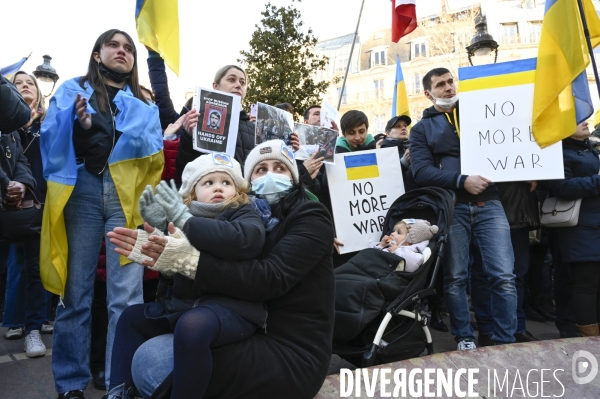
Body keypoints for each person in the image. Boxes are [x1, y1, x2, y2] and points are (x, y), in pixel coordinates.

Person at [109, 139, 334, 399]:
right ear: (249, 182)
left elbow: (269, 278)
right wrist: (163, 256)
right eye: (260, 169)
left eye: (280, 168)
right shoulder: (252, 214)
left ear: (294, 177)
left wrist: (188, 261)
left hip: (290, 353)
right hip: (245, 333)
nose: (270, 175)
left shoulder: (310, 216)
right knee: (144, 334)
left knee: (154, 361)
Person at [40, 29, 164, 399]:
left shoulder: (145, 104)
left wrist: (150, 210)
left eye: (128, 48)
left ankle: (120, 383)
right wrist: (79, 128)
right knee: (75, 293)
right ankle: (70, 384)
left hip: (129, 200)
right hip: (84, 192)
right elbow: (50, 141)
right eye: (114, 45)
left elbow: (153, 162)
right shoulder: (71, 90)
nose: (122, 51)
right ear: (97, 54)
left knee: (127, 298)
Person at [105, 153, 266, 398]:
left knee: (193, 326)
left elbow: (244, 241)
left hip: (234, 309)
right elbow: (173, 276)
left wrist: (185, 220)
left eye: (226, 182)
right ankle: (119, 391)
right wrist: (159, 243)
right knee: (130, 317)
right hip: (185, 306)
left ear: (238, 190)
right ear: (191, 193)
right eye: (208, 183)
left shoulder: (243, 213)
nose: (218, 188)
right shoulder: (182, 220)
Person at [410, 67, 517, 350]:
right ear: (428, 93)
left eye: (450, 82)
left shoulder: (483, 113)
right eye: (440, 84)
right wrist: (461, 181)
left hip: (490, 203)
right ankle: (465, 337)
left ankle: (506, 340)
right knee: (456, 277)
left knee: (502, 276)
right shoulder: (421, 129)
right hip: (453, 208)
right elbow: (421, 171)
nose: (448, 87)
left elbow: (509, 141)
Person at [0, 71, 52, 357]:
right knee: (14, 264)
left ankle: (34, 323)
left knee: (35, 264)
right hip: (7, 199)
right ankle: (15, 319)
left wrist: (24, 184)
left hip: (34, 199)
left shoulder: (46, 123)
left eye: (29, 83)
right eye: (17, 83)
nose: (23, 87)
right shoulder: (7, 124)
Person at [545, 121, 600, 337]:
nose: (586, 121)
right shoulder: (558, 152)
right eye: (578, 119)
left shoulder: (588, 149)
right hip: (581, 227)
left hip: (593, 223)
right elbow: (562, 187)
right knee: (584, 284)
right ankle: (588, 340)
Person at [177, 65, 255, 175]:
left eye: (242, 82)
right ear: (215, 85)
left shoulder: (253, 128)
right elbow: (185, 169)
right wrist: (188, 137)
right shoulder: (198, 119)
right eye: (231, 79)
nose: (238, 85)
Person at [370, 219, 438, 273]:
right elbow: (371, 256)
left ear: (409, 242)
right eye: (394, 231)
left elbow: (413, 265)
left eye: (398, 232)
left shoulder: (412, 253)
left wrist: (397, 251)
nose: (392, 233)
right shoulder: (389, 246)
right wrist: (380, 245)